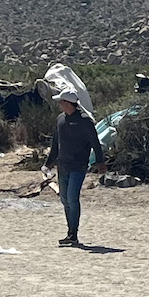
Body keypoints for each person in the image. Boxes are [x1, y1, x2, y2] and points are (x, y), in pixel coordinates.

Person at [45, 93, 104, 248]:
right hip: (62, 166)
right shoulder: (60, 119)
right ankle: (70, 232)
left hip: (78, 166)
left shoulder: (85, 121)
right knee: (64, 199)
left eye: (61, 101)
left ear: (68, 103)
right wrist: (48, 163)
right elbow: (55, 143)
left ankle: (73, 234)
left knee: (72, 198)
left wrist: (100, 162)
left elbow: (95, 143)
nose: (59, 104)